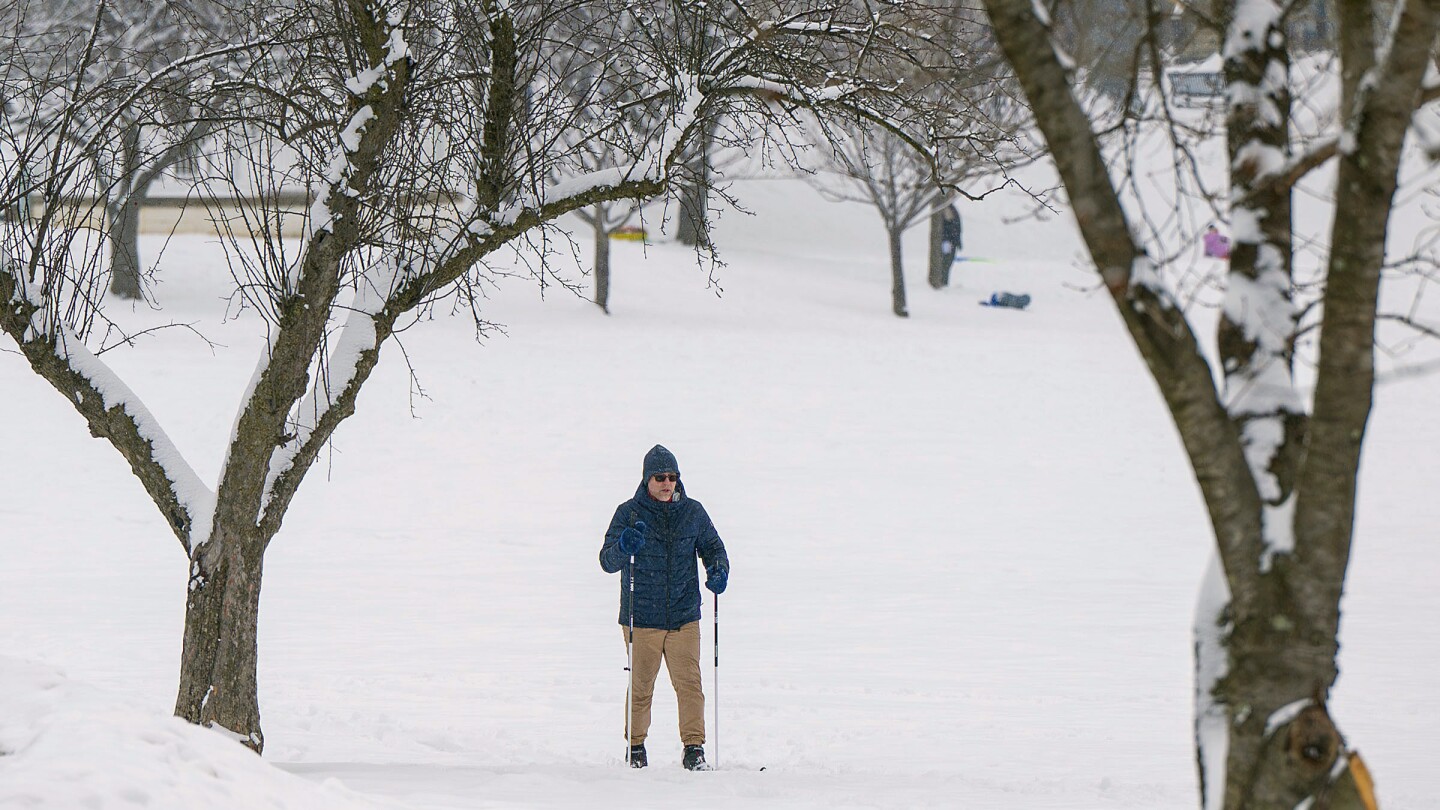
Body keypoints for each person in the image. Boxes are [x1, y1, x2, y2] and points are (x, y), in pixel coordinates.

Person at [599, 445, 729, 771]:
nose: (667, 483)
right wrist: (623, 545)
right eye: (660, 477)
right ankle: (636, 747)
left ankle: (694, 749)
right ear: (647, 480)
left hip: (684, 615)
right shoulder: (628, 514)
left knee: (690, 687)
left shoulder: (693, 512)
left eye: (672, 477)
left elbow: (713, 548)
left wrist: (718, 569)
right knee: (641, 687)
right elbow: (607, 560)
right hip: (642, 617)